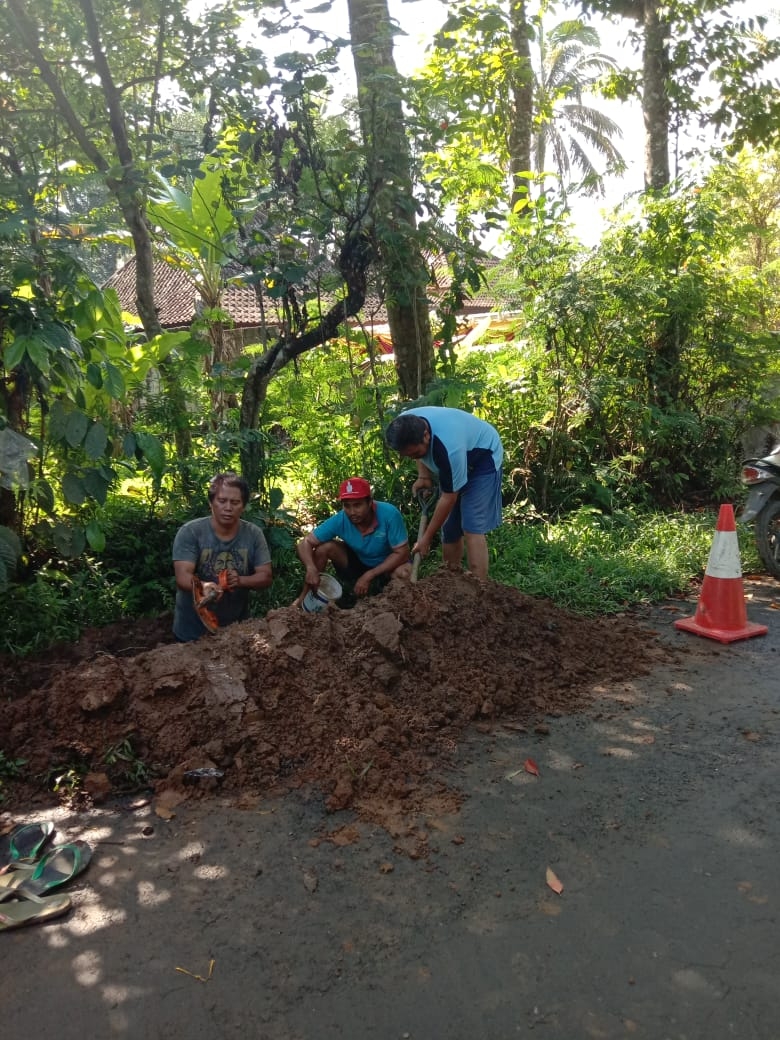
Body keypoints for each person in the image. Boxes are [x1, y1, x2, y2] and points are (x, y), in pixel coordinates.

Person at [384, 406, 503, 579]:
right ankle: (451, 582)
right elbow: (418, 454)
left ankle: (480, 587)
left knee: (472, 525)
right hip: (457, 455)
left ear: (426, 435)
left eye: (417, 453)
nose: (415, 457)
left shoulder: (449, 447)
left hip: (483, 458)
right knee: (449, 527)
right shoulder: (404, 425)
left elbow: (449, 497)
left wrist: (426, 538)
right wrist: (423, 476)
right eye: (409, 455)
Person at [172, 472, 273, 641]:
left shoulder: (253, 534)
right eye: (222, 501)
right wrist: (203, 586)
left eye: (235, 502)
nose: (228, 508)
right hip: (191, 632)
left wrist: (240, 581)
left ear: (243, 505)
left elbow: (266, 576)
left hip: (236, 632)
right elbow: (182, 576)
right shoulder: (191, 532)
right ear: (211, 503)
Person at [294, 477, 411, 607]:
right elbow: (305, 542)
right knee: (324, 548)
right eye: (347, 506)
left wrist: (370, 575)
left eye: (357, 505)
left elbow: (402, 553)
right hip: (360, 561)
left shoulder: (389, 514)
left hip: (389, 564)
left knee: (405, 573)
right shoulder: (341, 519)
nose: (352, 512)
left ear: (370, 502)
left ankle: (399, 608)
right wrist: (311, 568)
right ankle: (304, 599)